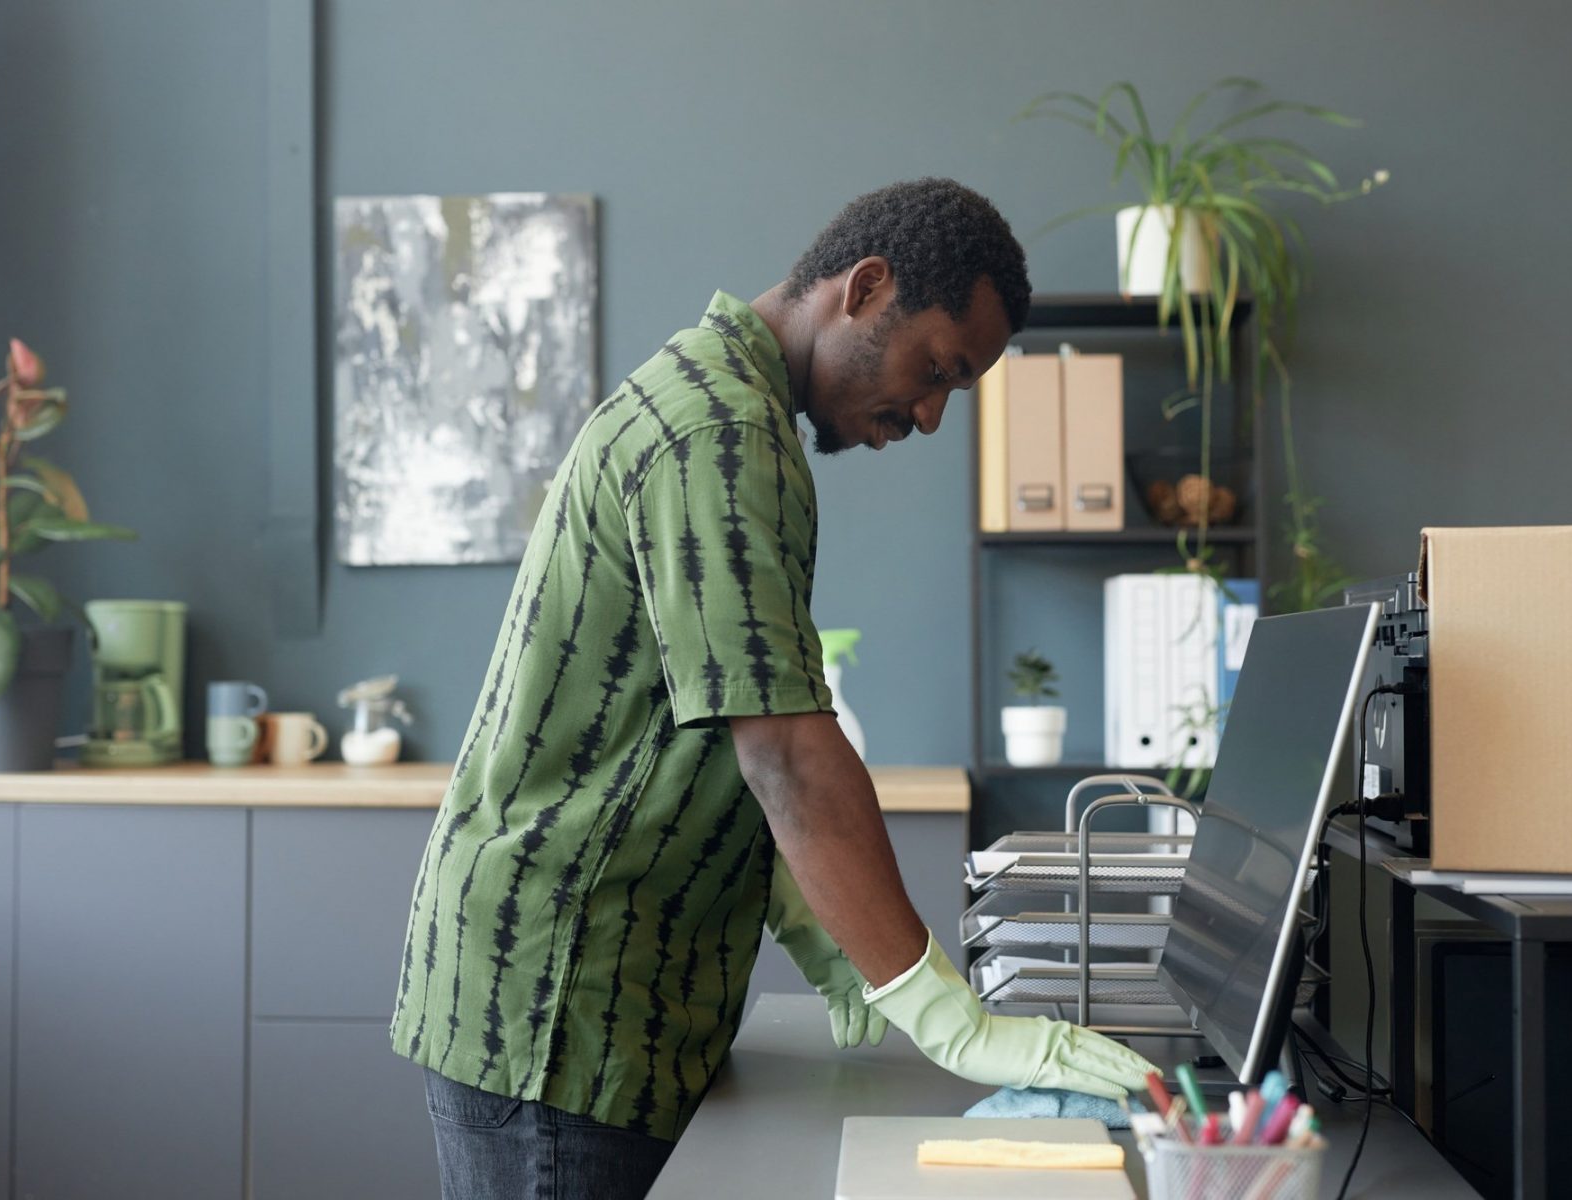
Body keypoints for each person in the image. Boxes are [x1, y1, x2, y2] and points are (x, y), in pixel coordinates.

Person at [391, 177, 1156, 1200]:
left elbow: (712, 726)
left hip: (606, 990)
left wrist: (824, 933)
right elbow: (785, 751)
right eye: (935, 370)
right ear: (866, 286)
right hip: (558, 1002)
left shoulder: (730, 412)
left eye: (952, 393)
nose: (930, 416)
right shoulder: (718, 433)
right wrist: (944, 1015)